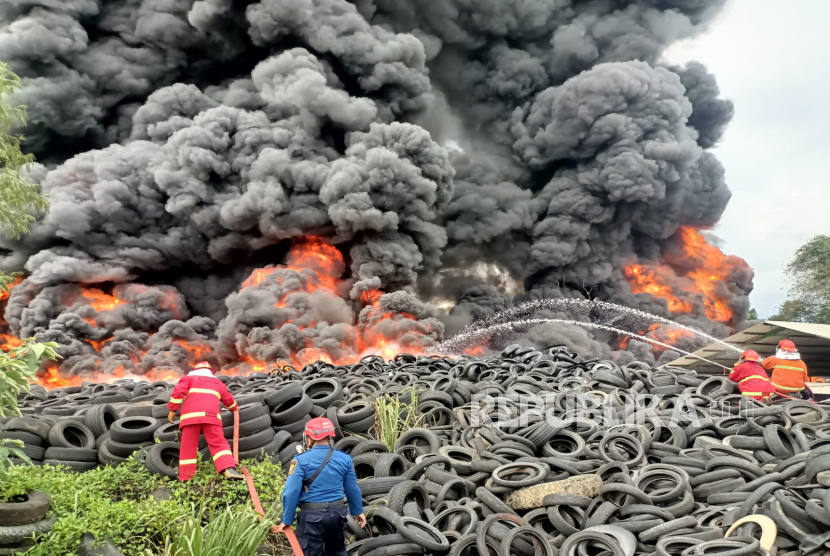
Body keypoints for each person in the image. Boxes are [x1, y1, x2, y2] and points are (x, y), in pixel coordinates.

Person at [274, 417, 366, 556]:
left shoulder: (300, 460)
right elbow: (352, 488)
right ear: (330, 436)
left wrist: (287, 520)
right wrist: (358, 511)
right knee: (338, 552)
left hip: (311, 517)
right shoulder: (345, 458)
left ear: (310, 437)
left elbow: (291, 492)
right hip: (337, 514)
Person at [167, 361, 244, 481]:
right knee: (218, 443)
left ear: (195, 370)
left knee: (188, 446)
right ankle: (229, 470)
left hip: (190, 417)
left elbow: (178, 392)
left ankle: (187, 477)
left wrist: (173, 409)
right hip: (211, 417)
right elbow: (228, 398)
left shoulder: (188, 379)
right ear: (210, 371)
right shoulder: (218, 383)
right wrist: (234, 407)